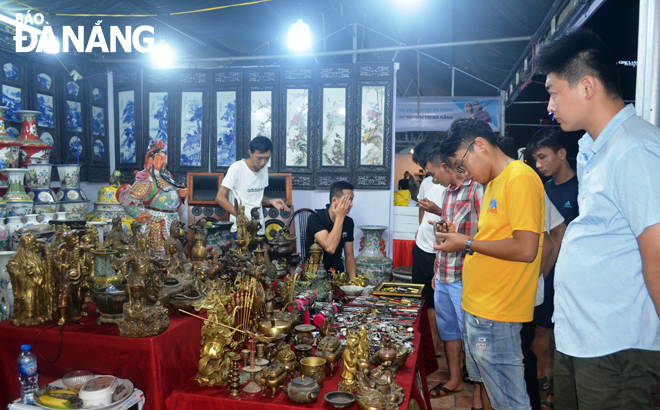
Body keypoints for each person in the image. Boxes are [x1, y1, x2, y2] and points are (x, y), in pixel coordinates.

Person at [536, 28, 660, 410]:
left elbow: (656, 254)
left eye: (554, 92)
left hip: (616, 347)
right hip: (582, 339)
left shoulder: (635, 149)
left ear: (586, 86)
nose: (550, 106)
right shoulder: (596, 151)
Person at [436, 117, 545, 410]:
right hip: (480, 310)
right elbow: (496, 239)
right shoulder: (494, 183)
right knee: (494, 390)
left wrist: (466, 243)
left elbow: (526, 248)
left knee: (509, 399)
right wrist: (461, 240)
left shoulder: (519, 177)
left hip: (497, 312)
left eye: (462, 164)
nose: (465, 174)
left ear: (480, 145)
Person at [423, 145, 484, 410]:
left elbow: (487, 234)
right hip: (444, 272)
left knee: (471, 333)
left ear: (447, 167)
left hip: (465, 275)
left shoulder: (475, 189)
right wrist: (437, 271)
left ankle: (482, 394)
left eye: (435, 173)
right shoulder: (448, 194)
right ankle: (455, 379)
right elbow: (446, 234)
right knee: (449, 331)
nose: (433, 179)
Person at [526, 128, 577, 408]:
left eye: (543, 157)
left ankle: (565, 384)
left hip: (574, 273)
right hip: (546, 270)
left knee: (565, 331)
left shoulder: (582, 189)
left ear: (561, 154)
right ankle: (540, 376)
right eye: (535, 159)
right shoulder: (543, 190)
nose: (539, 165)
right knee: (541, 328)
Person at [215, 136, 289, 240]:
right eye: (259, 158)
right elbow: (220, 198)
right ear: (250, 153)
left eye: (267, 158)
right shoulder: (237, 168)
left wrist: (270, 200)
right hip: (240, 230)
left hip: (259, 229)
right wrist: (241, 217)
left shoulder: (264, 169)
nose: (263, 162)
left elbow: (257, 193)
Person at [411, 141, 445, 356]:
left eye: (428, 168)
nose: (429, 175)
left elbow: (457, 221)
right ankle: (427, 343)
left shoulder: (457, 186)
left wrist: (436, 210)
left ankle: (438, 345)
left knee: (438, 300)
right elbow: (422, 210)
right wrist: (420, 228)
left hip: (441, 250)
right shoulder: (428, 183)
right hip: (422, 247)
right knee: (422, 297)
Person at [305, 180, 357, 279]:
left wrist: (353, 282)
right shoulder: (315, 218)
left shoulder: (349, 222)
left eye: (352, 200)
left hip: (338, 274)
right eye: (348, 200)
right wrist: (340, 217)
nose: (351, 204)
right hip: (316, 275)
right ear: (334, 201)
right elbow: (330, 248)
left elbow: (349, 256)